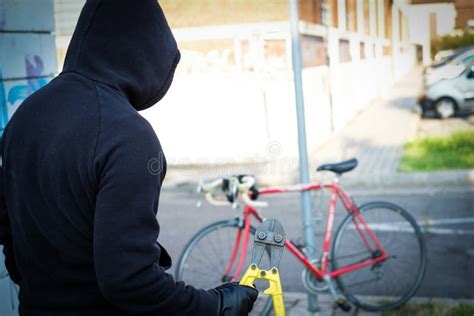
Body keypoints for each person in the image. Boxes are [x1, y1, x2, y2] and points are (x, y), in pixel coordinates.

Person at [0, 0, 258, 315]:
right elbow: (131, 281)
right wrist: (216, 305)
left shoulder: (25, 115)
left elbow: (9, 228)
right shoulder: (127, 135)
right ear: (147, 53)